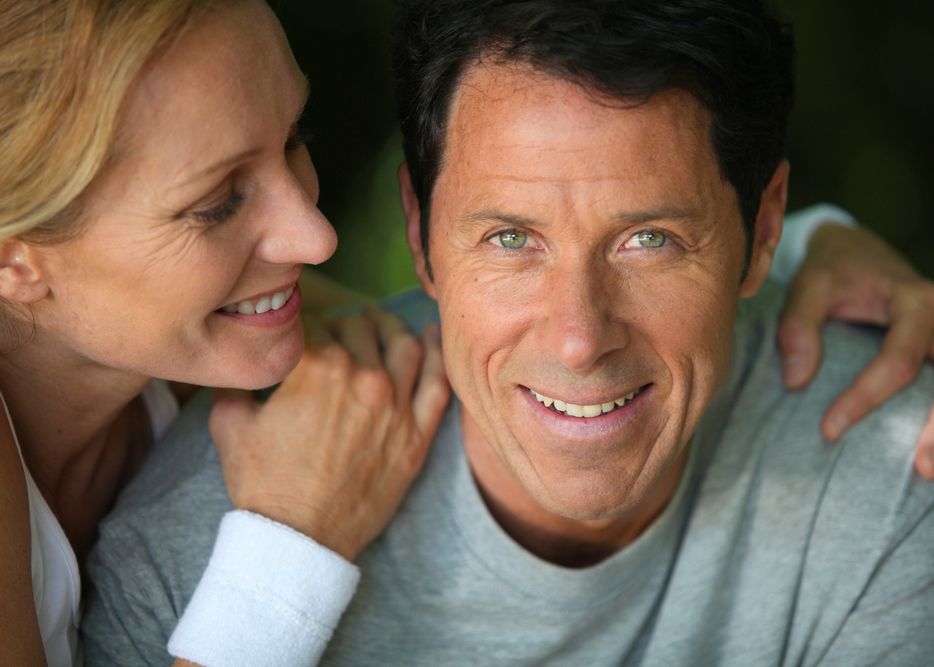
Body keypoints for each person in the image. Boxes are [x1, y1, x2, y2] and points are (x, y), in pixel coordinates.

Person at [83, 0, 934, 665]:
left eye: (650, 240)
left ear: (766, 227)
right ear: (419, 237)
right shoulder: (203, 560)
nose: (577, 338)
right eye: (511, 239)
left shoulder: (896, 478)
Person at [0, 1, 455, 665]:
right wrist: (294, 535)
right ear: (15, 261)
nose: (315, 235)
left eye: (296, 138)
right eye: (217, 203)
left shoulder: (232, 327)